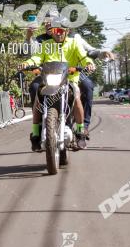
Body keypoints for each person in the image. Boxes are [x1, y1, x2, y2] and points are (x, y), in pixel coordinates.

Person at [21, 17, 95, 152]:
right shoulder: (46, 44)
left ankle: (80, 131)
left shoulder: (74, 44)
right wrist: (27, 63)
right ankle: (35, 133)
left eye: (61, 30)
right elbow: (36, 58)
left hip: (69, 80)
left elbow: (84, 57)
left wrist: (89, 64)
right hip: (48, 80)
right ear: (52, 30)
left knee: (77, 96)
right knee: (38, 98)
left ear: (66, 31)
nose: (58, 33)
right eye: (55, 30)